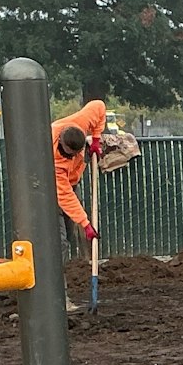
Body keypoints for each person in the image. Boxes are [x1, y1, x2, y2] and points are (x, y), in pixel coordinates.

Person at [52, 98, 107, 252]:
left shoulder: (81, 122)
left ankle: (71, 268)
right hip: (49, 188)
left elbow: (99, 106)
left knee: (70, 235)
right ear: (61, 144)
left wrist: (96, 139)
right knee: (59, 240)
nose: (73, 158)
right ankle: (56, 275)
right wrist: (85, 223)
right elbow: (65, 196)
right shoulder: (54, 160)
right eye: (70, 155)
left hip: (72, 181)